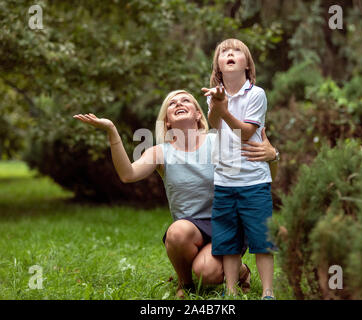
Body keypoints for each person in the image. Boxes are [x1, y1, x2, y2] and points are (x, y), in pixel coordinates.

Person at [73, 89, 278, 298]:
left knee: (206, 274)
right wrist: (111, 130)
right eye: (172, 103)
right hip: (190, 228)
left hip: (226, 223)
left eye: (186, 100)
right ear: (168, 121)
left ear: (199, 114)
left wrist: (272, 156)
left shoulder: (218, 142)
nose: (179, 103)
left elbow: (260, 174)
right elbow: (128, 174)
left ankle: (241, 271)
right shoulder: (160, 152)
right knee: (177, 232)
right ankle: (185, 283)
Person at [202, 38, 278, 299]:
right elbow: (214, 124)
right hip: (224, 181)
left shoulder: (256, 94)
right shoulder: (214, 95)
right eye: (223, 53)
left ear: (247, 65)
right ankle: (232, 290)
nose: (229, 54)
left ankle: (268, 291)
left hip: (254, 181)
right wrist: (218, 104)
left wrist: (223, 110)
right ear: (218, 68)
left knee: (262, 240)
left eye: (236, 52)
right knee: (228, 241)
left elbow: (245, 133)